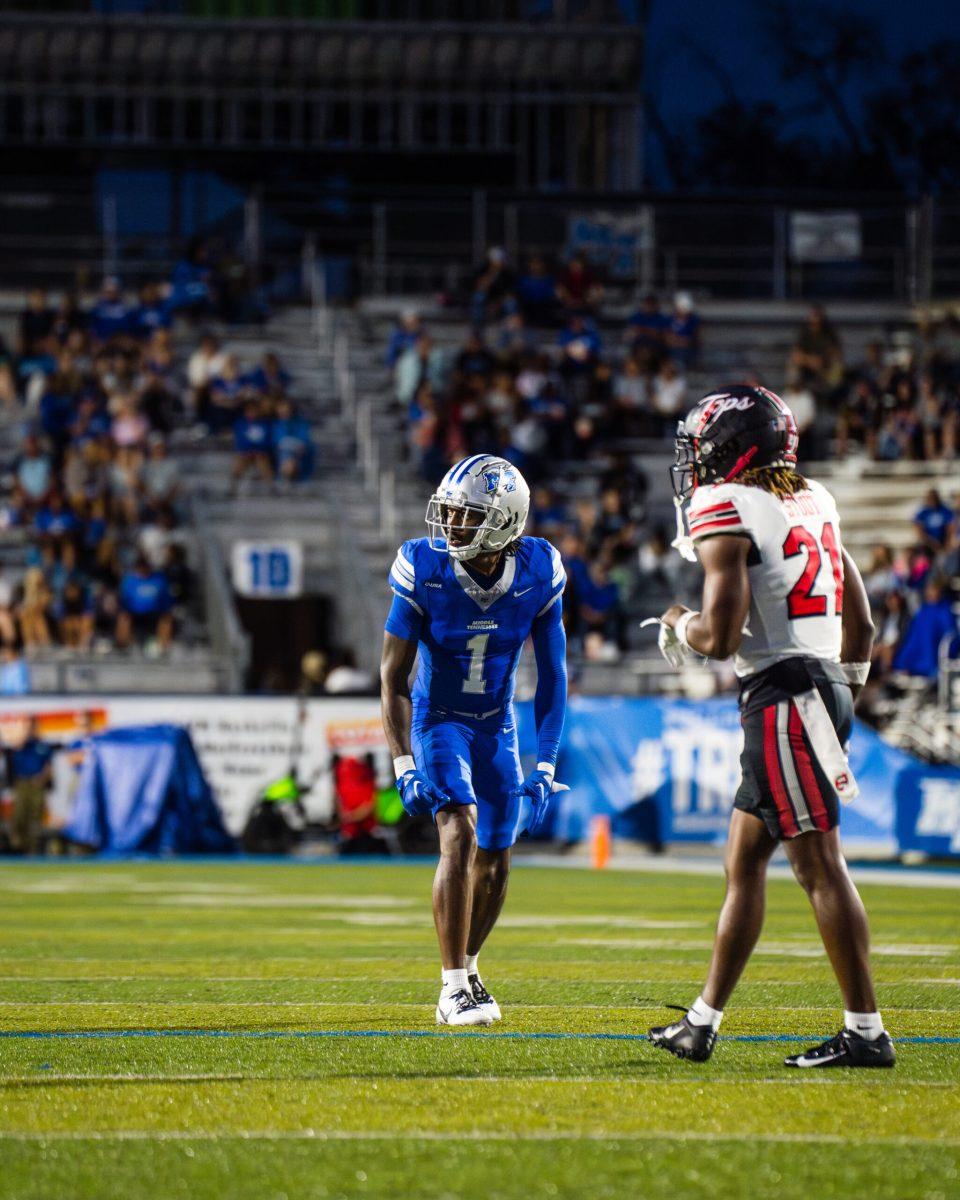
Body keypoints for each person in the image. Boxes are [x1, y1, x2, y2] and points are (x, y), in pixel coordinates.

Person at [647, 385, 894, 1070]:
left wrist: (677, 626)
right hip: (810, 693)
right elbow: (864, 623)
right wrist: (838, 699)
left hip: (785, 698)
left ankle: (866, 1032)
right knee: (744, 862)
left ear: (731, 450)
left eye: (702, 450)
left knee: (819, 867)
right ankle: (701, 1022)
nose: (695, 464)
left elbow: (720, 639)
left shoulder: (722, 504)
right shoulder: (812, 500)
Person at [380, 454, 567, 1026]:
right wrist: (403, 764)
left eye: (466, 516)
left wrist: (545, 766)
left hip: (496, 723)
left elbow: (555, 678)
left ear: (504, 523)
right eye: (452, 513)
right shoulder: (424, 565)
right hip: (439, 720)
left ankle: (470, 967)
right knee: (457, 828)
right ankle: (452, 986)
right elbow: (392, 679)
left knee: (498, 853)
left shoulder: (539, 571)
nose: (451, 526)